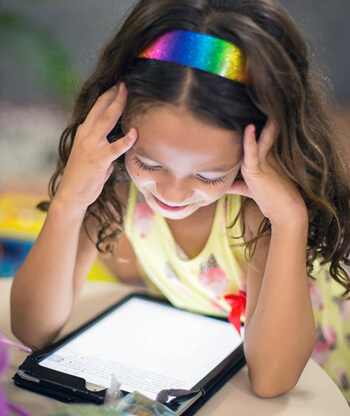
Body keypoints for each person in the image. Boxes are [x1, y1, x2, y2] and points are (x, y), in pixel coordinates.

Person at [11, 0, 350, 402]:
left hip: (319, 381)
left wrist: (291, 217)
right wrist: (69, 198)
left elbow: (272, 380)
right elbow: (32, 329)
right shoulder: (117, 187)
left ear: (260, 150)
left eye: (209, 175)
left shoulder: (257, 214)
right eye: (148, 162)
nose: (172, 194)